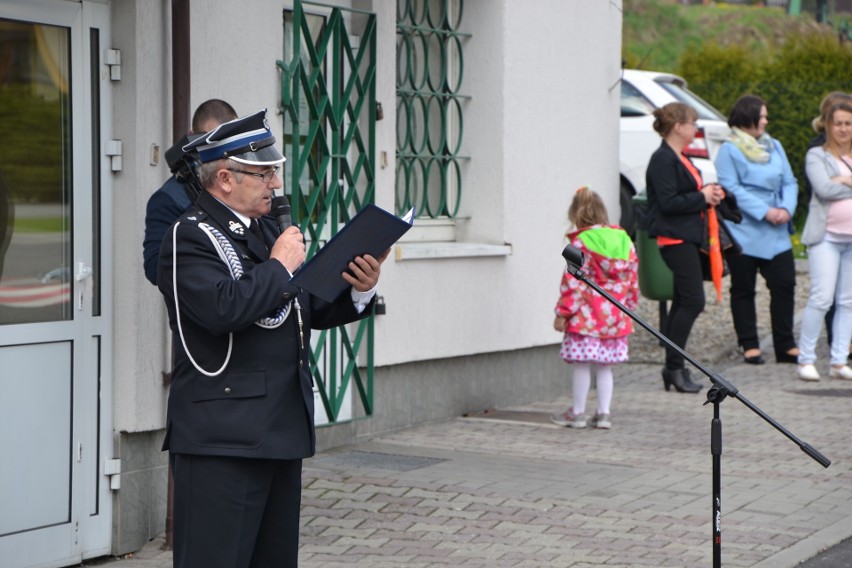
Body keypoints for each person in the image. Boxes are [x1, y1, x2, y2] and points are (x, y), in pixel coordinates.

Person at [156, 109, 387, 568]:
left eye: (274, 173)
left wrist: (361, 290)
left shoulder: (265, 231)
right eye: (263, 174)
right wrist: (280, 265)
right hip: (223, 437)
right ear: (224, 178)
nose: (275, 185)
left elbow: (300, 307)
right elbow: (224, 309)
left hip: (279, 427)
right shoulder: (188, 237)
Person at [645, 102, 730, 393]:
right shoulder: (662, 160)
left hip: (688, 237)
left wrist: (710, 194)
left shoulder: (679, 157)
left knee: (685, 301)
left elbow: (686, 195)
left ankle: (674, 369)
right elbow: (668, 203)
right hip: (674, 239)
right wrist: (702, 196)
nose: (696, 128)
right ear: (678, 127)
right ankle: (674, 367)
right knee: (693, 301)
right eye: (692, 123)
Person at [714, 95, 800, 365]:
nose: (765, 120)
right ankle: (749, 343)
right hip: (744, 229)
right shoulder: (729, 149)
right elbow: (731, 187)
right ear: (747, 116)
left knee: (785, 285)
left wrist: (786, 208)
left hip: (777, 230)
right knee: (743, 289)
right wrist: (766, 211)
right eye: (761, 115)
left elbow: (790, 180)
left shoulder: (775, 146)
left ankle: (785, 344)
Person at [550, 187, 638, 429]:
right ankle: (604, 414)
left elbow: (573, 284)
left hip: (586, 316)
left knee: (581, 365)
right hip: (616, 316)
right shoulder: (624, 241)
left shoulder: (580, 243)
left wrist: (563, 313)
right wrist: (628, 308)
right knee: (604, 367)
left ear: (575, 214)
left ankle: (577, 413)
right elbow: (632, 280)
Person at [143, 99, 238, 285]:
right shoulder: (169, 199)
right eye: (212, 142)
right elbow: (155, 267)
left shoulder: (249, 181)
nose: (222, 152)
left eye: (229, 141)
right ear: (192, 138)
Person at [796, 97, 852, 381]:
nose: (843, 129)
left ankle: (839, 361)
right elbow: (823, 189)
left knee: (848, 301)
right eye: (838, 123)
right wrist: (838, 184)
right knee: (821, 298)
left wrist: (842, 181)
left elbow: (833, 187)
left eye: (848, 124)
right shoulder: (817, 155)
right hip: (826, 237)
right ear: (828, 125)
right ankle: (806, 359)